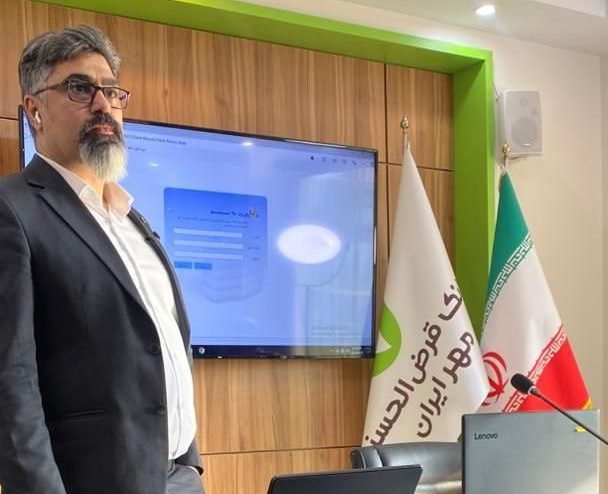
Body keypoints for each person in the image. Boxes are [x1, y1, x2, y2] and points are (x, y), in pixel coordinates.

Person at [0, 25, 204, 494]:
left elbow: (166, 348)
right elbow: (10, 384)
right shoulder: (12, 209)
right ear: (34, 110)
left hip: (179, 479)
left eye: (111, 91)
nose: (102, 104)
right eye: (80, 88)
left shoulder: (133, 219)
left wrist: (189, 465)